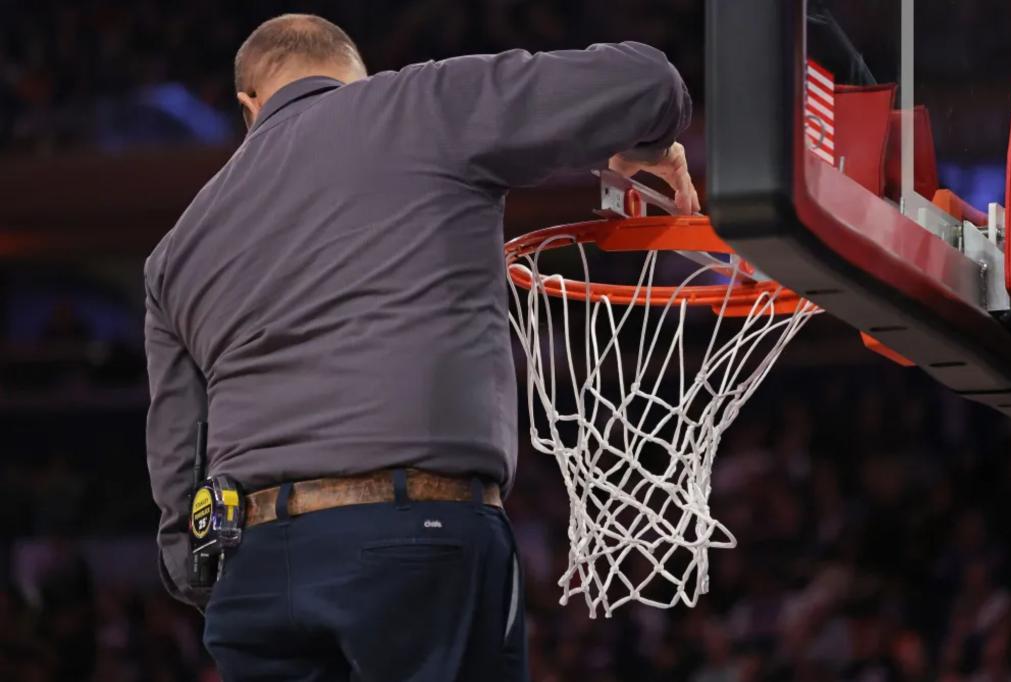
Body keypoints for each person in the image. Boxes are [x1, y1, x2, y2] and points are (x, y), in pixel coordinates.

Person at [143, 12, 696, 681]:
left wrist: (226, 584)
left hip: (253, 573)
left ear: (248, 105)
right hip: (412, 538)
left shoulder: (175, 251)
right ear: (356, 77)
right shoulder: (416, 105)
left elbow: (177, 473)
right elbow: (646, 80)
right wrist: (647, 140)